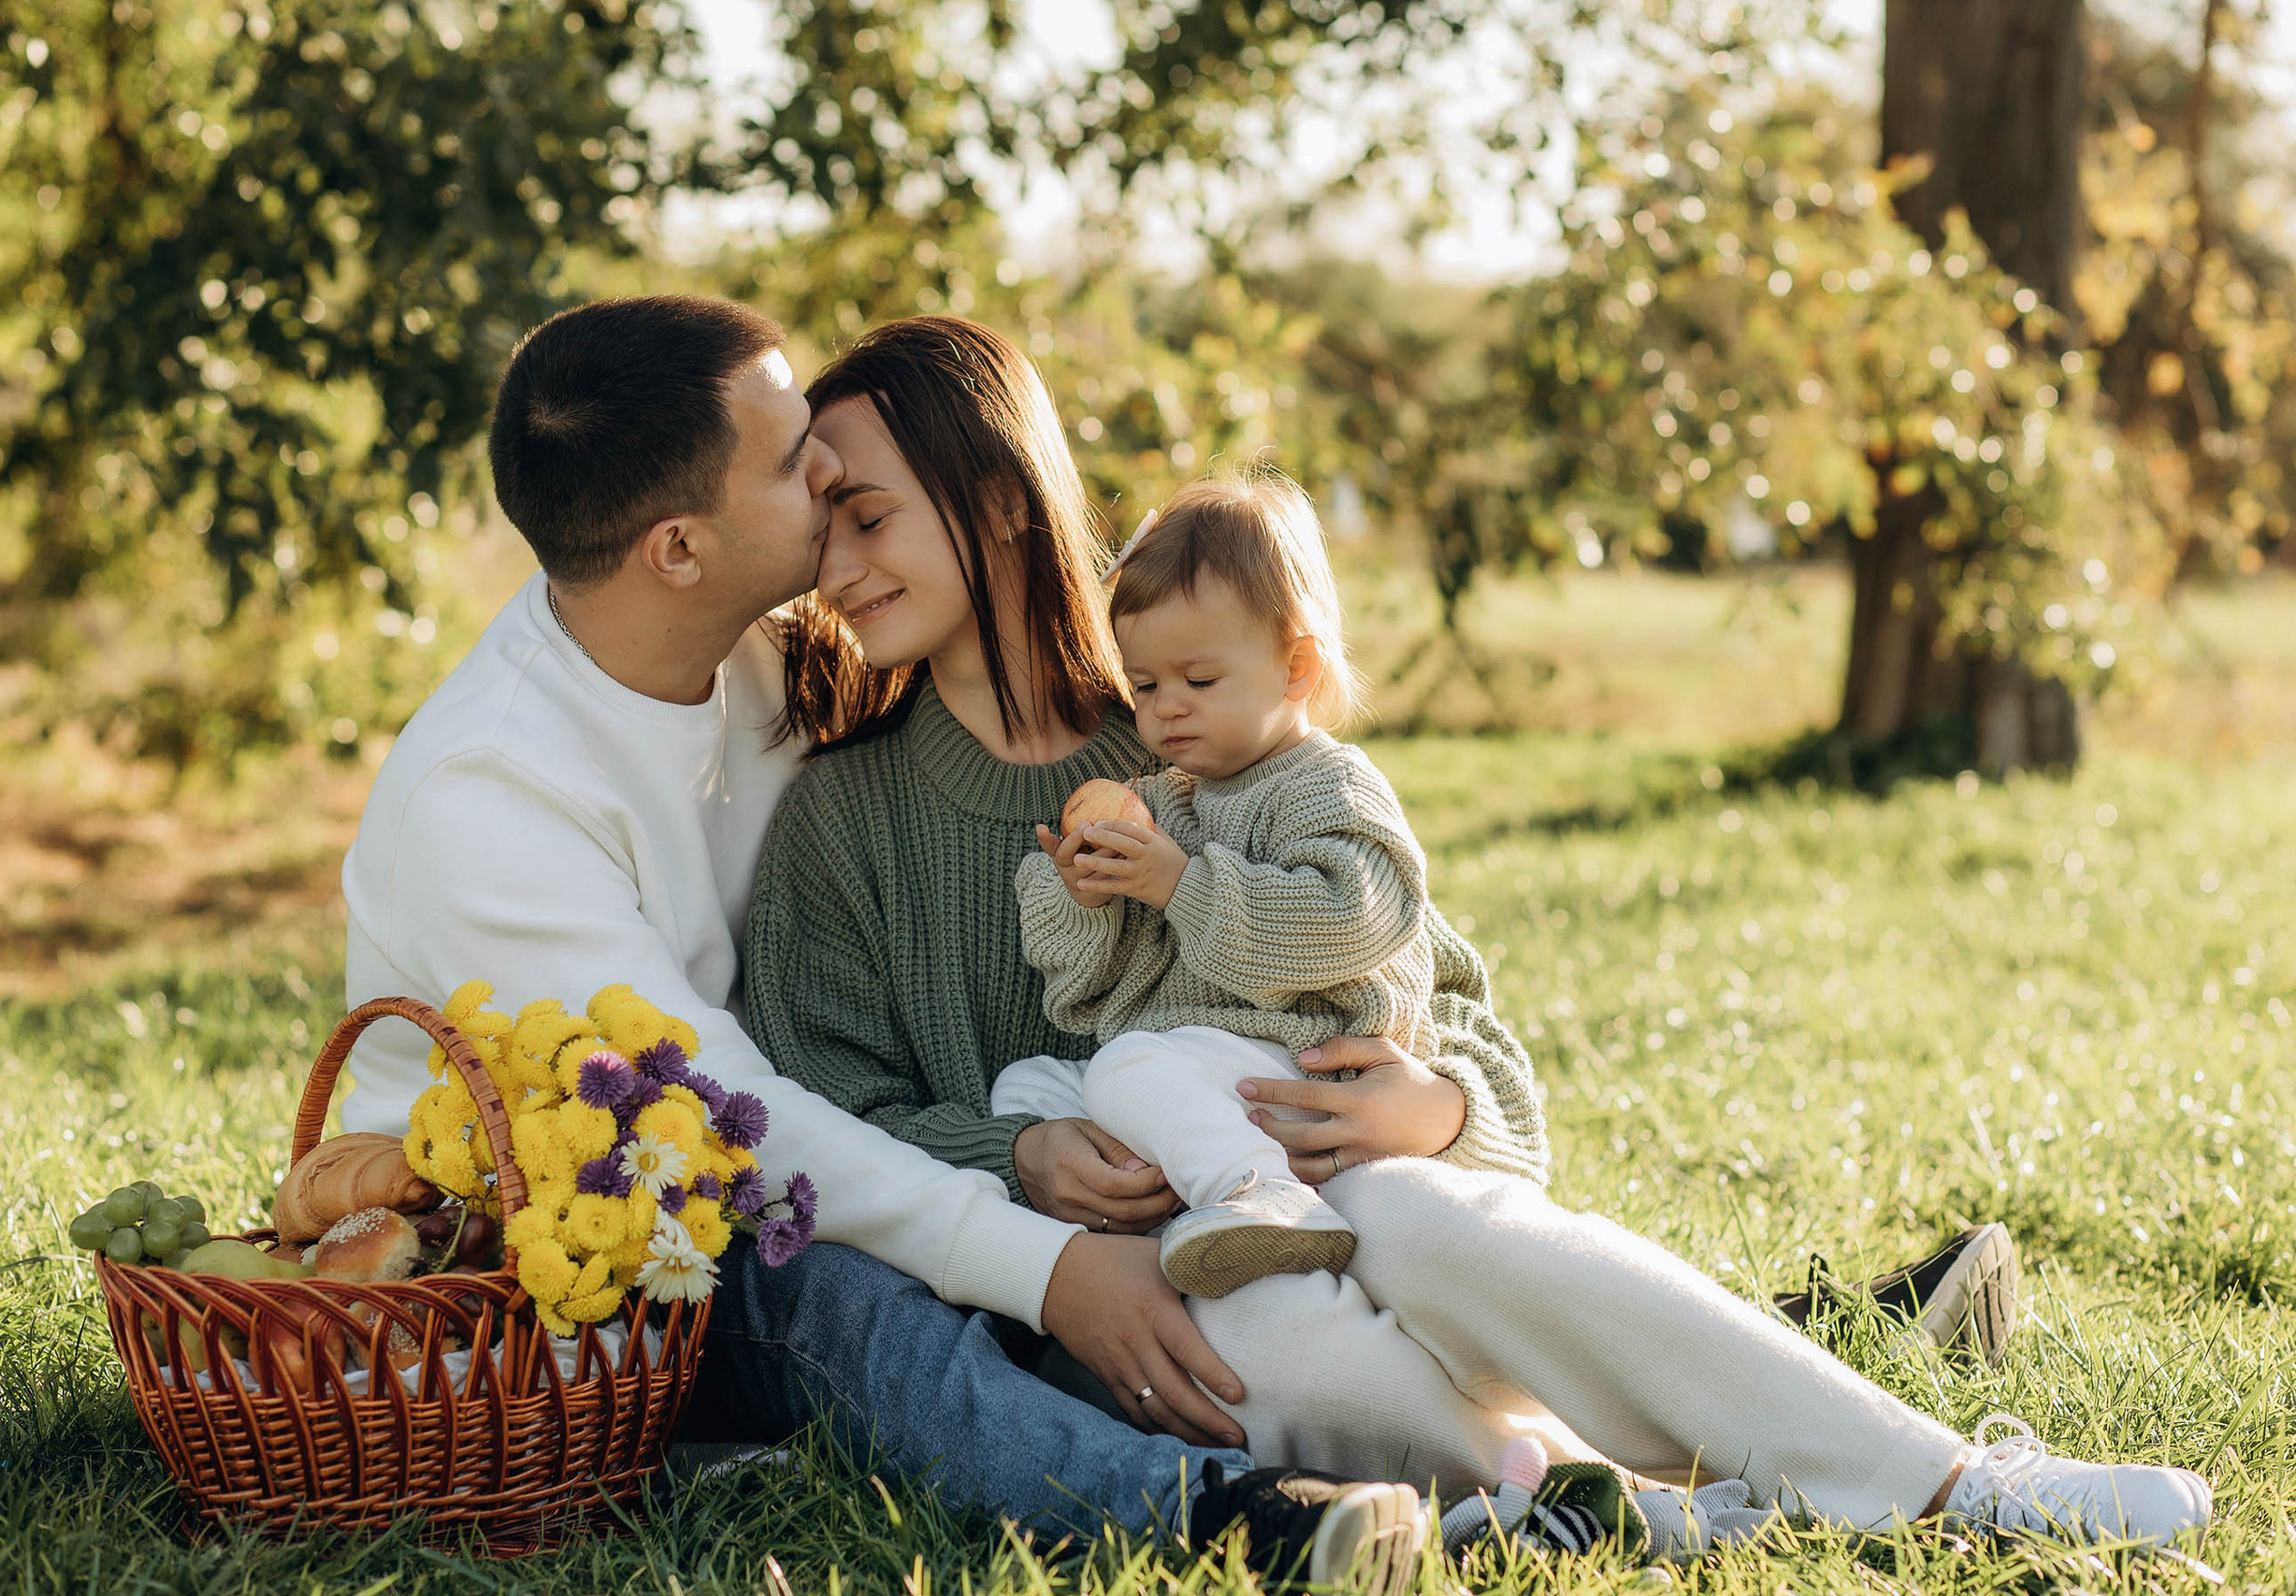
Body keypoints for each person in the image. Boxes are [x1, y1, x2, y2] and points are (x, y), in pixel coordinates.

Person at [743, 312, 2214, 1552]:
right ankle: (1649, 1504)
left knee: (1440, 1223)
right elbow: (817, 1124)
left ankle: (1967, 1483)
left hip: (1337, 1176)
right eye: (825, 536)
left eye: (866, 514)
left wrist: (1436, 1106)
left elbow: (1450, 1004)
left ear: (997, 496)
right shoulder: (837, 824)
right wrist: (1022, 1161)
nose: (839, 569)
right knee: (1294, 1344)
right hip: (1119, 1289)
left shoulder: (1203, 721)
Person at [337, 294, 1434, 1589]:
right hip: (550, 1269)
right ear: (679, 547)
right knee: (838, 1299)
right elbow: (732, 1119)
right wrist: (1054, 1265)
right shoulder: (490, 792)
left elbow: (1357, 900)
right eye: (795, 461)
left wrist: (1441, 1086)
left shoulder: (769, 661)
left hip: (764, 1178)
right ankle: (1224, 1517)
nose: (829, 469)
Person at [998, 470, 1464, 1299]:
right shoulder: (1166, 801)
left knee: (1127, 1068)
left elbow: (1354, 917)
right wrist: (1087, 895)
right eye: (1144, 686)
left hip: (1302, 1054)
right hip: (1208, 1061)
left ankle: (1272, 1200)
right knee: (1028, 1090)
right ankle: (1174, 1185)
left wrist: (1180, 884)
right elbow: (1087, 977)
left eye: (1199, 681)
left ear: (1296, 667)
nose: (1167, 709)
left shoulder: (1326, 784)